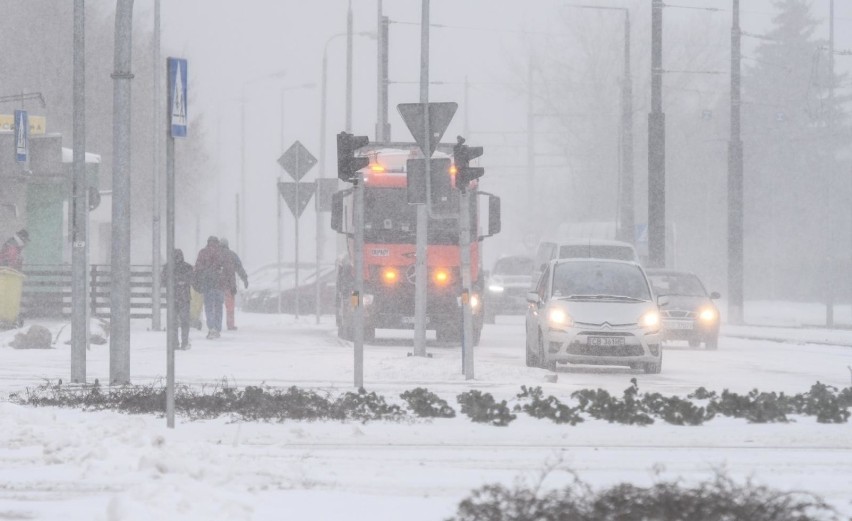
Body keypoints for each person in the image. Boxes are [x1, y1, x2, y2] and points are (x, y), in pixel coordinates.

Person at [193, 236, 226, 339]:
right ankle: (217, 328)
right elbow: (227, 268)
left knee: (209, 307)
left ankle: (211, 328)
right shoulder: (221, 253)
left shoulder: (203, 252)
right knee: (218, 307)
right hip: (220, 285)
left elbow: (197, 267)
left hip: (208, 284)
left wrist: (198, 279)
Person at [161, 248, 194, 349]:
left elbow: (163, 282)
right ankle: (184, 342)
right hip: (184, 297)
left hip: (172, 297)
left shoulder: (167, 267)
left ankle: (175, 343)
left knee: (173, 321)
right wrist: (182, 282)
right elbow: (192, 279)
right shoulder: (188, 267)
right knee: (184, 321)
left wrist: (173, 282)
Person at [219, 237, 248, 330]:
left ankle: (216, 325)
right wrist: (245, 279)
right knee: (230, 307)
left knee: (216, 306)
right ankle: (230, 325)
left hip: (217, 285)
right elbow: (239, 268)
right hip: (229, 285)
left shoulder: (216, 255)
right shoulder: (232, 255)